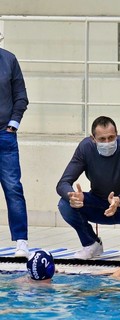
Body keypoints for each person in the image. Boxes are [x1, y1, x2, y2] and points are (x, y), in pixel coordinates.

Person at [56, 116, 120, 260]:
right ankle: (90, 243)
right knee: (65, 204)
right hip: (98, 205)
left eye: (111, 137)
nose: (107, 142)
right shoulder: (85, 147)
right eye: (102, 139)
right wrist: (72, 196)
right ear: (92, 139)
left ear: (117, 135)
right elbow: (62, 183)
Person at [0, 37, 29, 257]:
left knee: (13, 188)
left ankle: (21, 241)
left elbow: (21, 97)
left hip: (5, 135)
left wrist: (13, 124)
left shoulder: (9, 60)